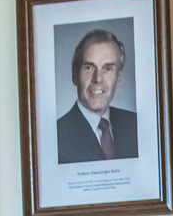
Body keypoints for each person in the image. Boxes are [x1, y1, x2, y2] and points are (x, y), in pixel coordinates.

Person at [57, 29, 139, 164]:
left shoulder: (135, 124)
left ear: (118, 76)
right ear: (74, 74)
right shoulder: (58, 135)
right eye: (89, 68)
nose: (98, 78)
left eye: (107, 68)